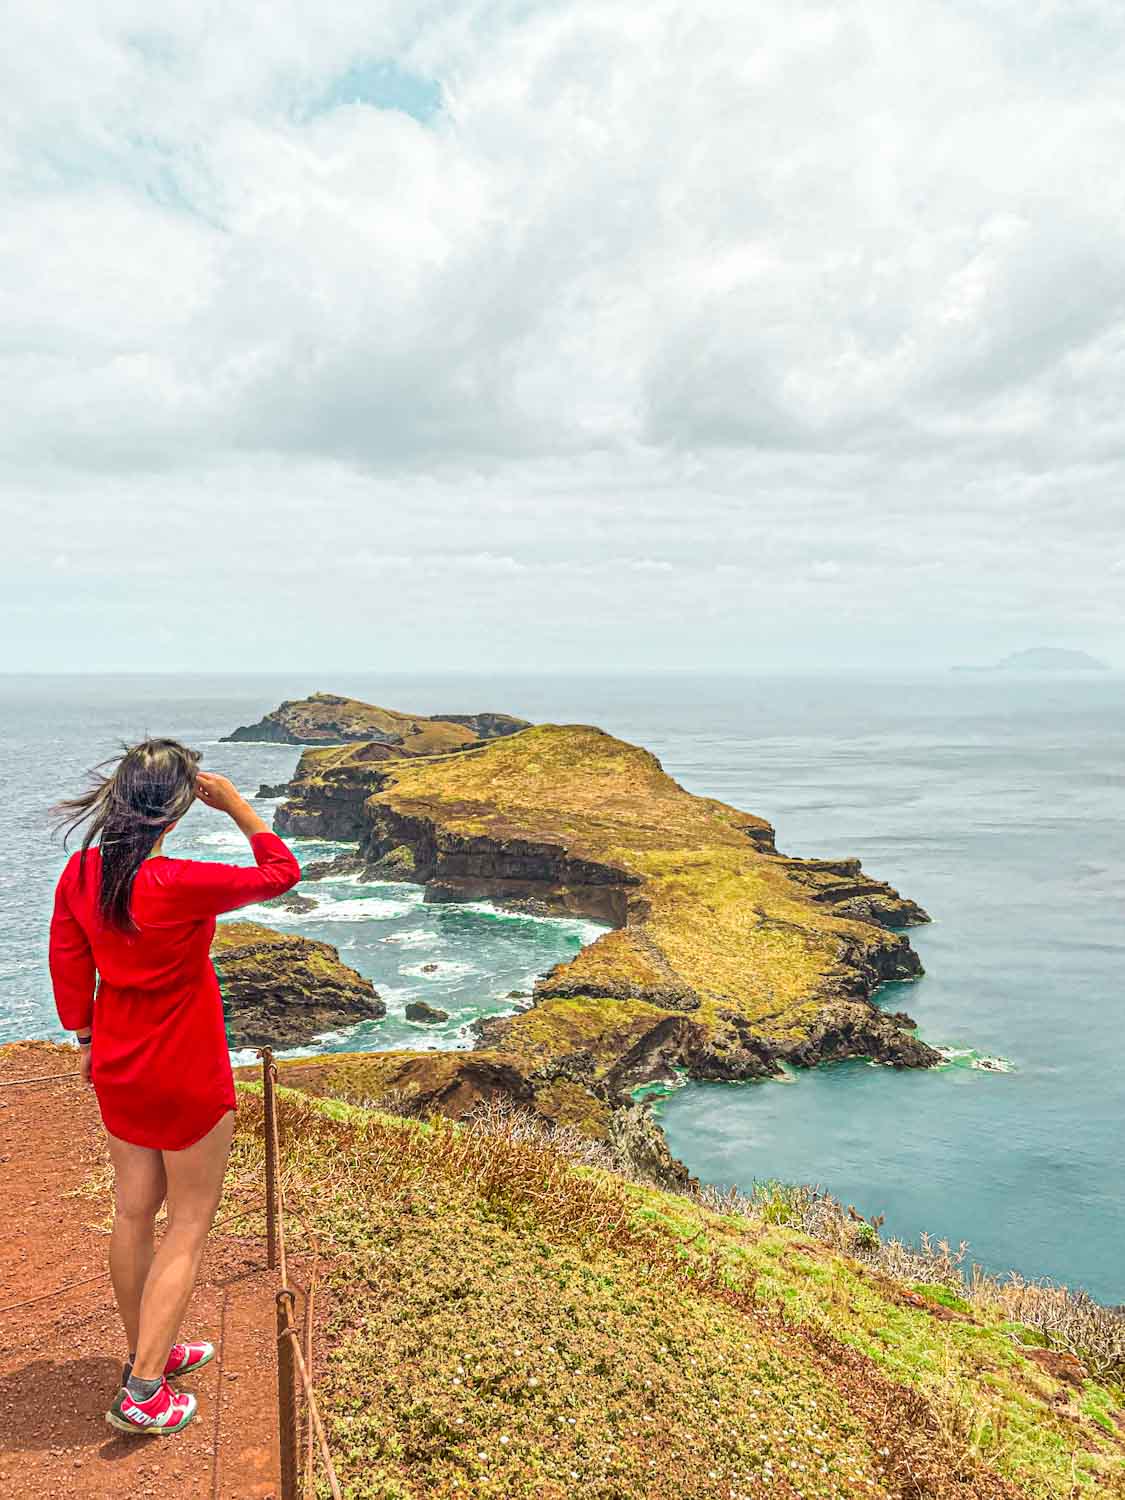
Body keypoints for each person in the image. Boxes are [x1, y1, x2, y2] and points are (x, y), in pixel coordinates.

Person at [48, 738, 301, 1436]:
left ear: (120, 798)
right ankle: (143, 1389)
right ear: (179, 806)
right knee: (187, 1223)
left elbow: (68, 962)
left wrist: (85, 1038)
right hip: (186, 1067)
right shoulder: (181, 881)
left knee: (134, 1213)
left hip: (120, 1065)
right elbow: (282, 873)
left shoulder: (80, 874)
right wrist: (241, 810)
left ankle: (146, 1350)